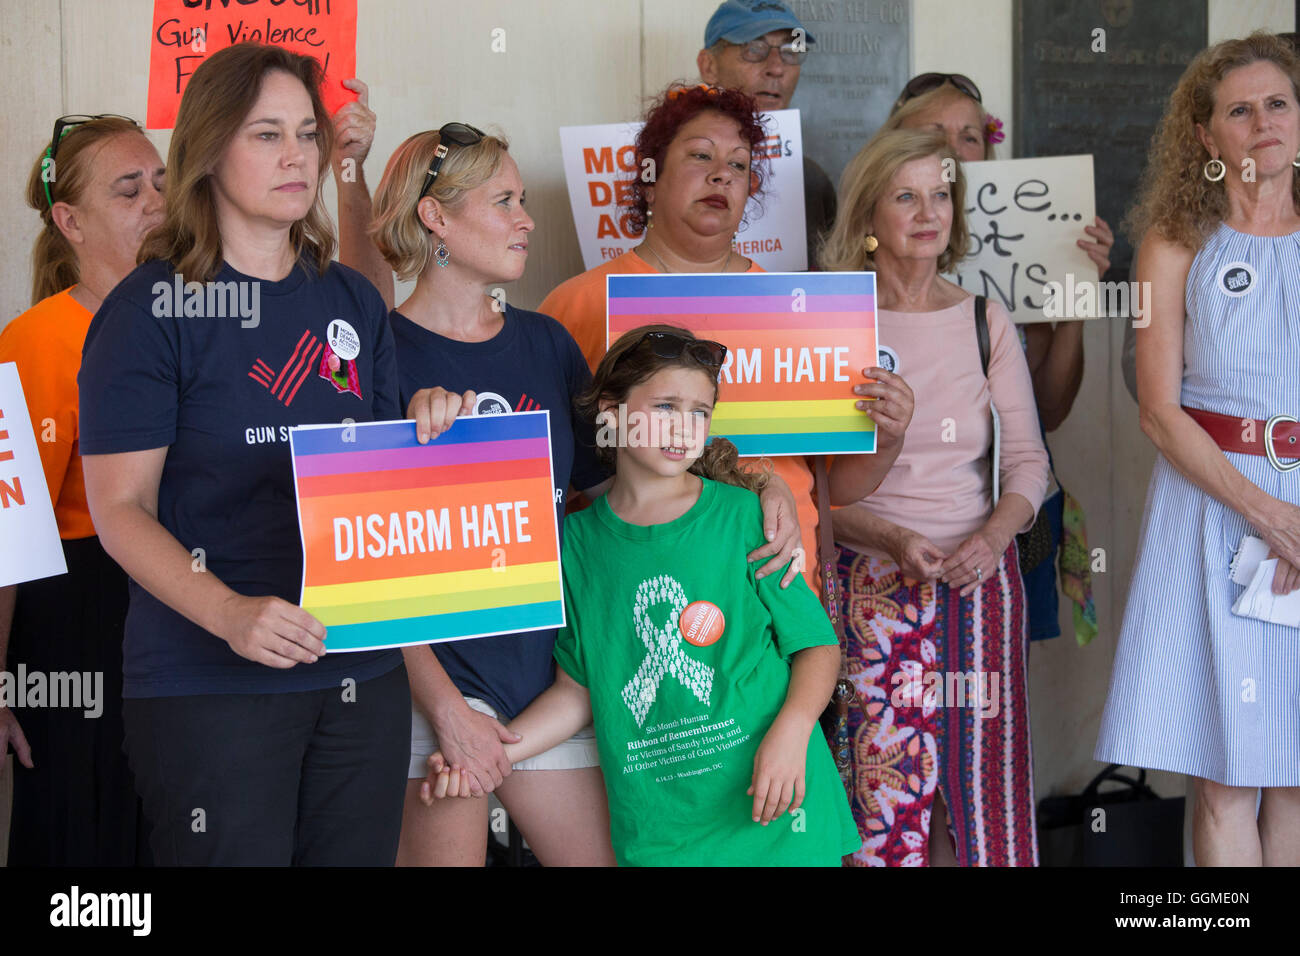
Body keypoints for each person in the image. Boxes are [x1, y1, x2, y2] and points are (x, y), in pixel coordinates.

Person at [76, 44, 410, 866]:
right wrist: (229, 612)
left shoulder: (352, 299)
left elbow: (384, 478)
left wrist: (436, 427)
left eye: (307, 132)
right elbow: (120, 511)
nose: (297, 155)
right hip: (208, 683)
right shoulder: (150, 310)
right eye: (266, 135)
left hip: (359, 678)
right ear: (209, 149)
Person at [421, 325, 862, 867]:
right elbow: (579, 690)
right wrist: (485, 755)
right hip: (662, 831)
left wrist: (793, 734)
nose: (684, 428)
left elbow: (817, 646)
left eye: (700, 412)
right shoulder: (574, 545)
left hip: (777, 809)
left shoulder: (745, 517)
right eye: (666, 406)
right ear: (610, 412)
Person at [541, 83, 914, 596]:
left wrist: (889, 436)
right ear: (649, 179)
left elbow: (834, 487)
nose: (721, 174)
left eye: (738, 165)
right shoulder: (576, 306)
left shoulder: (800, 309)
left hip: (772, 592)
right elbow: (551, 481)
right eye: (700, 156)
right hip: (636, 594)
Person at [368, 124, 617, 866]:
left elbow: (609, 508)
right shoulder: (378, 353)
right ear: (435, 218)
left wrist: (753, 483)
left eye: (525, 199)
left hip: (546, 677)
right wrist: (445, 710)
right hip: (428, 681)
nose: (527, 219)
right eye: (503, 200)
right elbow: (359, 570)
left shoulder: (548, 344)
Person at [1095, 32, 1300, 866]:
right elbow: (1155, 409)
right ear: (1207, 136)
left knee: (1294, 774)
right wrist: (1270, 515)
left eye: (1277, 103)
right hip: (1219, 505)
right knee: (1228, 773)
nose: (1262, 123)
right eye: (1238, 110)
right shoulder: (1173, 243)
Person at [820, 127, 1050, 866]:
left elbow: (1027, 463)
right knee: (885, 802)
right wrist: (887, 538)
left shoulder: (984, 320)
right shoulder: (831, 321)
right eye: (906, 196)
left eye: (941, 195)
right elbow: (806, 487)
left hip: (981, 587)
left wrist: (994, 537)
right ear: (868, 217)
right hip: (872, 592)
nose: (929, 212)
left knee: (984, 798)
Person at [884, 74, 1108, 644]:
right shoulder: (867, 274)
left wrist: (1076, 300)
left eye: (970, 136)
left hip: (1007, 516)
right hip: (885, 545)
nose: (954, 151)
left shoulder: (1035, 240)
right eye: (934, 133)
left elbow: (1050, 412)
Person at [0, 115, 164, 866]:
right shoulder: (33, 342)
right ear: (69, 220)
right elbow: (8, 537)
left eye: (162, 181)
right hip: (75, 618)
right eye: (129, 190)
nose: (157, 202)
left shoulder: (190, 322)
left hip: (178, 601)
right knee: (85, 832)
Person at [696, 0, 836, 268]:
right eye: (754, 48)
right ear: (709, 66)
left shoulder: (812, 180)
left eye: (790, 51)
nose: (777, 67)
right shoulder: (665, 170)